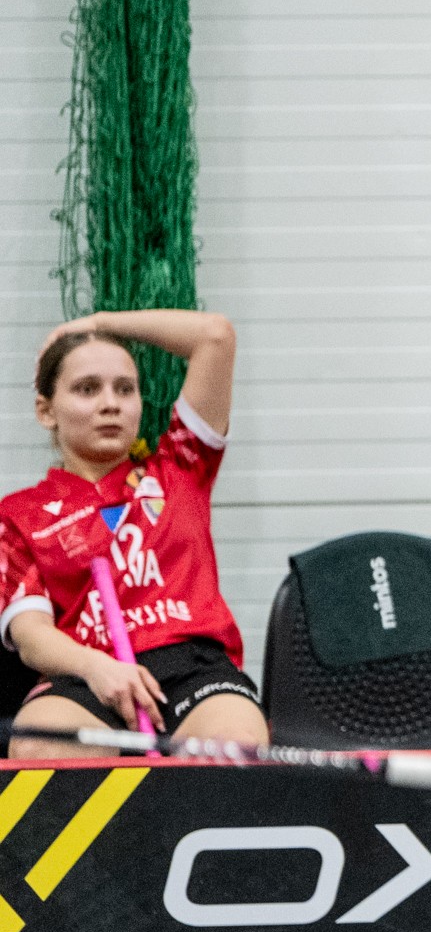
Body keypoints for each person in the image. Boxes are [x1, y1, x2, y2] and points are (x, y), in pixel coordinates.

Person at [1, 310, 266, 758]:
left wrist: (99, 323)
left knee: (233, 746)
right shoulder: (19, 513)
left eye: (125, 389)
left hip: (194, 669)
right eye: (87, 388)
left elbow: (215, 336)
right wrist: (95, 667)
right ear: (46, 410)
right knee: (41, 744)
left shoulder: (182, 466)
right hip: (85, 675)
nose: (110, 404)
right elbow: (31, 635)